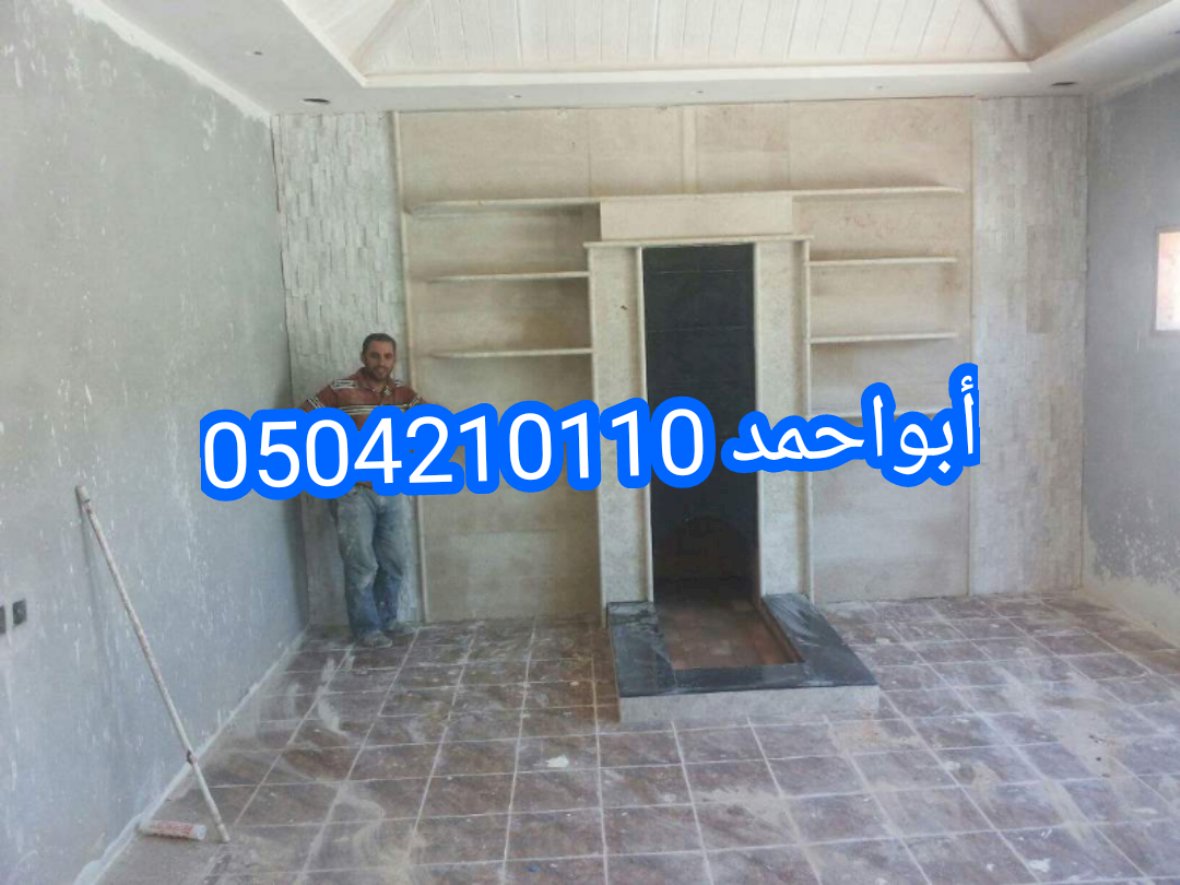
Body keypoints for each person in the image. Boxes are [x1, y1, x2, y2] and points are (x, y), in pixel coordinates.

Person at [301, 333, 424, 648]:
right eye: (375, 355)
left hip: (391, 489)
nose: (381, 362)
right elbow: (302, 419)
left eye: (387, 356)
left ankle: (388, 620)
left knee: (394, 561)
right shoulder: (340, 390)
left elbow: (431, 423)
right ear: (363, 357)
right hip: (353, 493)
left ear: (394, 359)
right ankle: (366, 629)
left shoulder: (402, 393)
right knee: (361, 564)